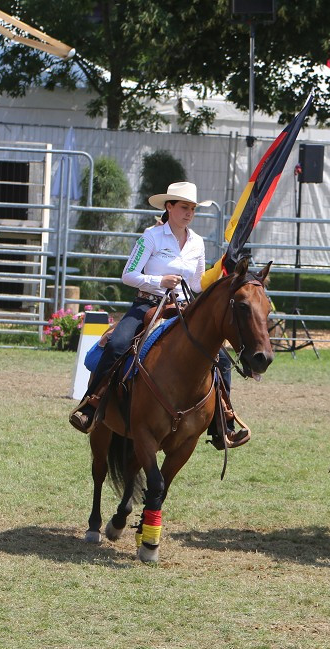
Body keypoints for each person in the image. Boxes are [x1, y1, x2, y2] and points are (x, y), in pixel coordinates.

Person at [68, 181, 249, 450]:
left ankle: (224, 422)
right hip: (147, 304)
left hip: (184, 310)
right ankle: (93, 404)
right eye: (184, 207)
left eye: (192, 209)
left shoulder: (197, 243)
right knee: (118, 344)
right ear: (169, 207)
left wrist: (218, 270)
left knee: (220, 359)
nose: (189, 213)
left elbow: (198, 283)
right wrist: (158, 280)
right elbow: (128, 275)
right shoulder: (150, 237)